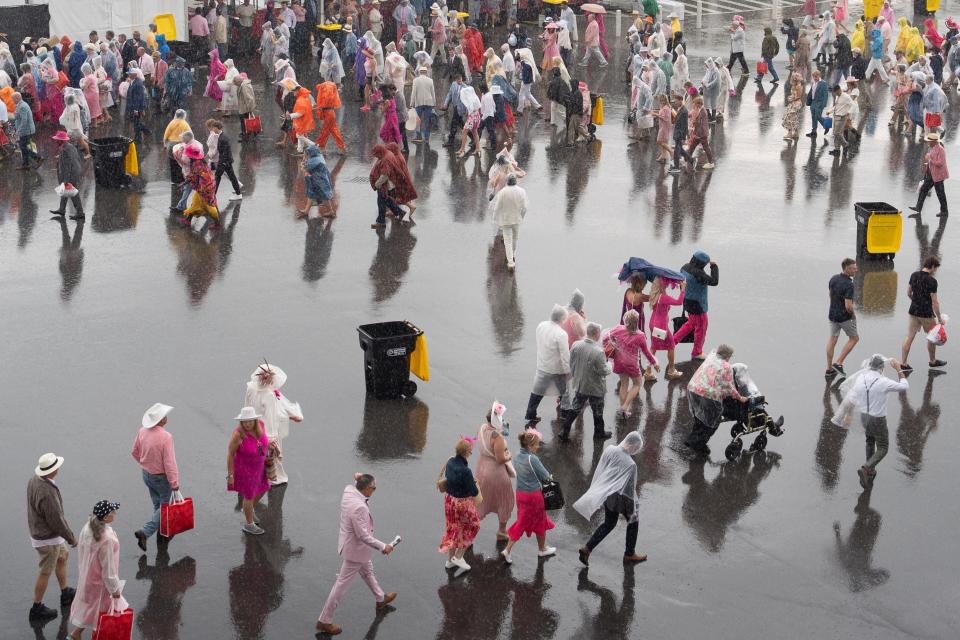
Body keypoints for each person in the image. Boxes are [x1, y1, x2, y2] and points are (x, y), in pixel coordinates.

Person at [315, 474, 396, 636]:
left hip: (353, 546)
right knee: (340, 586)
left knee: (368, 571)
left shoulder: (349, 491)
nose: (374, 491)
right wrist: (383, 546)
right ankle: (324, 621)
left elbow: (355, 484)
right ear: (366, 488)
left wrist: (358, 478)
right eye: (373, 488)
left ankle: (380, 598)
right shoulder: (359, 508)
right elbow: (363, 536)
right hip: (355, 550)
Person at [833, 355, 908, 488]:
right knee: (883, 447)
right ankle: (867, 467)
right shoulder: (883, 381)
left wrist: (846, 414)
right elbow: (904, 386)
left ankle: (870, 471)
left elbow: (852, 397)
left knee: (870, 440)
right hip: (878, 419)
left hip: (864, 416)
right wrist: (899, 369)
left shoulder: (861, 378)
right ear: (881, 368)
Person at [574, 432, 648, 565]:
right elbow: (629, 490)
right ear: (632, 446)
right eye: (635, 448)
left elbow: (602, 468)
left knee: (609, 523)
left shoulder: (610, 449)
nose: (635, 451)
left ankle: (587, 549)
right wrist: (633, 508)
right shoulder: (631, 465)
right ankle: (629, 554)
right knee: (633, 522)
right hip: (622, 498)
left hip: (608, 494)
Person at [27, 452, 77, 622]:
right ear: (52, 470)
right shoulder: (47, 492)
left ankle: (65, 592)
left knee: (63, 556)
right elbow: (56, 520)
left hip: (45, 534)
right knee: (45, 571)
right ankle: (37, 607)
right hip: (47, 538)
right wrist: (71, 538)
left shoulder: (35, 479)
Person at [68, 501, 126, 640]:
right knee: (103, 611)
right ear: (105, 518)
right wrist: (115, 590)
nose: (115, 514)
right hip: (101, 583)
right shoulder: (107, 539)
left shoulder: (88, 527)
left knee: (90, 609)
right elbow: (108, 569)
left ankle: (75, 634)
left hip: (87, 576)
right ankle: (99, 635)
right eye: (113, 512)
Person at [243, 363, 303, 485]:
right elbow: (271, 418)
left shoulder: (250, 387)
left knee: (251, 451)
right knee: (271, 456)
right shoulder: (269, 395)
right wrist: (272, 438)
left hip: (251, 425)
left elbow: (246, 407)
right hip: (264, 428)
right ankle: (272, 477)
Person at [501, 430, 556, 563]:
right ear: (530, 446)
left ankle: (542, 548)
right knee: (525, 522)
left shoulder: (517, 455)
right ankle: (508, 549)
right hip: (534, 496)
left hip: (520, 494)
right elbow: (546, 476)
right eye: (536, 445)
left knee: (534, 520)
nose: (538, 447)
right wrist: (551, 478)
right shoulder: (533, 459)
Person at [131, 403, 179, 552]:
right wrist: (174, 482)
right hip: (161, 477)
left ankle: (162, 528)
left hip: (146, 474)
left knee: (157, 504)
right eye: (164, 416)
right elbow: (169, 462)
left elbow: (134, 452)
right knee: (166, 507)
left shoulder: (142, 431)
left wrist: (146, 464)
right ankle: (145, 532)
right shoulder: (166, 437)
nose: (166, 417)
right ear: (161, 420)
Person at [683, 345, 748, 455]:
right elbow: (730, 386)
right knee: (712, 422)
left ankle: (694, 439)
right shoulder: (726, 366)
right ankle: (697, 444)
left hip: (693, 389)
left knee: (700, 417)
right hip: (709, 395)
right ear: (727, 356)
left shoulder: (711, 357)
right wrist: (740, 397)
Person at [560, 322, 612, 441]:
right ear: (597, 333)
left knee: (575, 408)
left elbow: (571, 362)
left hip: (580, 384)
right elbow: (604, 371)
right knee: (598, 411)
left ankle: (564, 431)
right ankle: (599, 433)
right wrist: (610, 365)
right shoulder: (599, 352)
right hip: (595, 388)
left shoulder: (576, 345)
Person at [604, 309, 659, 417]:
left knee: (624, 384)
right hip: (632, 364)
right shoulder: (640, 335)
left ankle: (623, 411)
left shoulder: (618, 329)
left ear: (626, 320)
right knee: (637, 384)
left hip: (619, 361)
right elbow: (646, 352)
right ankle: (625, 407)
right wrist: (654, 363)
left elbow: (606, 338)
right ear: (637, 321)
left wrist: (612, 345)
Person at [227, 406, 271, 535]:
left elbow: (263, 442)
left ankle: (248, 509)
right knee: (249, 495)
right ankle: (249, 524)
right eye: (245, 422)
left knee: (264, 488)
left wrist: (270, 445)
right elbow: (230, 454)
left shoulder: (261, 426)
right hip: (245, 470)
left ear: (255, 420)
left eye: (250, 421)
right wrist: (230, 475)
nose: (247, 424)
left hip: (260, 467)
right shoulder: (238, 435)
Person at [440, 438, 482, 572]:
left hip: (449, 500)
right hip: (462, 503)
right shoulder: (466, 471)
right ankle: (458, 556)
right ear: (467, 452)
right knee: (473, 525)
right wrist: (474, 483)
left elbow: (452, 479)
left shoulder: (451, 461)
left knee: (453, 528)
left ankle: (450, 560)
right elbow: (474, 491)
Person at [524, 305, 571, 424]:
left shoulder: (541, 325)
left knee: (537, 391)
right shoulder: (561, 334)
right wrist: (568, 371)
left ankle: (531, 414)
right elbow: (565, 356)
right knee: (564, 391)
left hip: (542, 365)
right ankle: (565, 415)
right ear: (562, 319)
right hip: (557, 369)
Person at [474, 407, 516, 541]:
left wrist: (502, 429)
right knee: (503, 499)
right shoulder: (497, 437)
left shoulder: (482, 428)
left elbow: (502, 434)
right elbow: (500, 459)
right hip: (495, 472)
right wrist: (508, 456)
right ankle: (502, 531)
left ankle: (470, 532)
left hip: (481, 468)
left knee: (480, 500)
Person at [900, 255, 947, 371]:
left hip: (913, 311)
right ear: (931, 266)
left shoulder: (914, 275)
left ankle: (904, 363)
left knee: (909, 336)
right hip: (926, 313)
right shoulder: (932, 281)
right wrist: (940, 318)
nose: (935, 270)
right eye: (935, 268)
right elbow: (935, 302)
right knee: (932, 337)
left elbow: (908, 293)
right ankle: (932, 361)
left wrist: (915, 301)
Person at [674, 251, 718, 359]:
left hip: (687, 301)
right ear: (702, 263)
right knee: (702, 327)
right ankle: (697, 352)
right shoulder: (699, 274)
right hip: (698, 304)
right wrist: (714, 266)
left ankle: (673, 341)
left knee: (691, 323)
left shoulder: (684, 267)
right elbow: (714, 281)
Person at [825, 258, 860, 379]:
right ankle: (838, 363)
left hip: (832, 315)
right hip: (844, 317)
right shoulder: (849, 285)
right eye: (853, 268)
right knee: (854, 338)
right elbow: (848, 306)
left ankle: (829, 369)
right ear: (846, 268)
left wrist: (834, 306)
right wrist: (853, 315)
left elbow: (830, 294)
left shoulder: (833, 278)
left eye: (856, 267)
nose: (856, 270)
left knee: (833, 339)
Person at [648, 276, 686, 380]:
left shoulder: (656, 296)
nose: (668, 284)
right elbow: (679, 302)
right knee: (671, 345)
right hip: (660, 326)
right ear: (662, 285)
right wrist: (683, 290)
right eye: (666, 283)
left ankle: (648, 372)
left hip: (653, 324)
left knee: (653, 347)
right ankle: (671, 370)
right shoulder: (663, 297)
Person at [491, 173, 527, 270]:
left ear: (507, 181)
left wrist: (494, 218)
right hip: (517, 220)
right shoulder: (522, 191)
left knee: (507, 241)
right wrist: (521, 217)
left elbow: (497, 207)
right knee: (515, 238)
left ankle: (510, 263)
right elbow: (524, 208)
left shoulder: (503, 192)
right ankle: (513, 255)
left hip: (505, 220)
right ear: (515, 181)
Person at [909, 132, 949, 218]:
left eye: (929, 141)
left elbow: (940, 163)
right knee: (923, 189)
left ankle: (944, 211)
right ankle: (918, 207)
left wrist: (929, 160)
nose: (928, 143)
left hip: (938, 176)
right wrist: (928, 165)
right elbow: (933, 160)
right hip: (931, 174)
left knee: (940, 194)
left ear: (934, 141)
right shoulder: (933, 148)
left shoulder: (941, 150)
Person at [49, 131, 85, 220]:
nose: (56, 142)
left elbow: (67, 166)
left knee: (73, 194)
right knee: (64, 190)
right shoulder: (70, 146)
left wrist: (65, 180)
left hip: (71, 174)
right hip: (76, 171)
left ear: (62, 141)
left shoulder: (65, 150)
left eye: (58, 140)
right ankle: (62, 209)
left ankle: (80, 213)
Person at [206, 119, 243, 200]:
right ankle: (238, 193)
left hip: (224, 162)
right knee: (230, 177)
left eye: (213, 128)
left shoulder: (222, 138)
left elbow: (225, 152)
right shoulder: (222, 136)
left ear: (216, 128)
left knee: (218, 177)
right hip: (226, 161)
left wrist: (222, 163)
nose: (212, 130)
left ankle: (213, 195)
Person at [300, 144, 335, 218]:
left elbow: (304, 168)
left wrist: (302, 162)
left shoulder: (314, 161)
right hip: (318, 179)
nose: (307, 155)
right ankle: (306, 211)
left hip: (318, 181)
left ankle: (331, 211)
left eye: (307, 154)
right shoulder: (319, 156)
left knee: (323, 196)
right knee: (312, 195)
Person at [314, 81, 346, 153]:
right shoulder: (330, 91)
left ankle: (319, 146)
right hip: (330, 112)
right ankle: (341, 147)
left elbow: (324, 101)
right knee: (332, 131)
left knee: (326, 131)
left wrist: (320, 106)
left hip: (328, 113)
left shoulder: (324, 91)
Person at [686, 95, 714, 170]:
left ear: (698, 103)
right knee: (692, 146)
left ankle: (711, 163)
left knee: (706, 147)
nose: (694, 105)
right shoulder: (701, 109)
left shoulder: (701, 111)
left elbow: (697, 122)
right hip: (699, 133)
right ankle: (688, 158)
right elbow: (693, 116)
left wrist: (692, 125)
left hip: (701, 133)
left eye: (695, 103)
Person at [410, 66, 435, 144]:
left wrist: (411, 103)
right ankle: (427, 137)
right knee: (427, 120)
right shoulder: (430, 80)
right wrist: (434, 103)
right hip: (429, 102)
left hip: (419, 102)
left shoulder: (416, 80)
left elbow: (413, 92)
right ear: (426, 72)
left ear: (419, 72)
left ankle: (418, 135)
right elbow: (432, 92)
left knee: (418, 120)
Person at [827, 84, 853, 155]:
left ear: (839, 90)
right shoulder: (837, 96)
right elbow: (836, 106)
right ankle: (837, 149)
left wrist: (848, 112)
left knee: (837, 133)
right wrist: (829, 111)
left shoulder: (846, 97)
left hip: (842, 117)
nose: (835, 94)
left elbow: (852, 105)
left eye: (836, 92)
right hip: (836, 116)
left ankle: (846, 145)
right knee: (836, 134)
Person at [125, 69, 150, 143]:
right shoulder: (133, 81)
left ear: (134, 75)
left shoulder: (138, 84)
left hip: (137, 107)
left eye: (130, 74)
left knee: (136, 123)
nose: (128, 75)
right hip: (133, 106)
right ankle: (146, 131)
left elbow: (138, 98)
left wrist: (136, 109)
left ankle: (138, 138)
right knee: (136, 122)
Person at [806, 68, 829, 138]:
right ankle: (814, 132)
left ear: (819, 75)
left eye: (816, 76)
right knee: (813, 117)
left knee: (818, 116)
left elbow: (826, 94)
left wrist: (824, 104)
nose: (815, 78)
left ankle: (826, 126)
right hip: (813, 102)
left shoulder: (823, 83)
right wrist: (808, 100)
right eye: (814, 76)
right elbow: (811, 91)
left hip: (820, 102)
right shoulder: (813, 82)